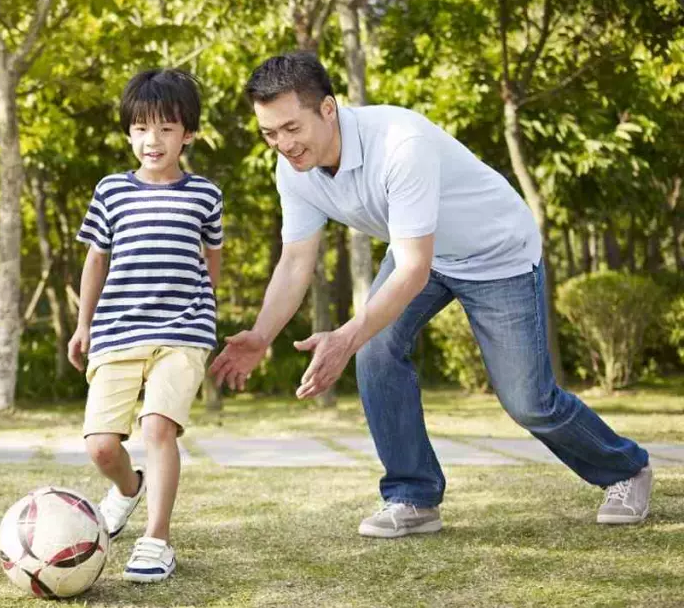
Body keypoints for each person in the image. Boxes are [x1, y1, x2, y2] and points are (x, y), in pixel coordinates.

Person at [210, 52, 652, 538]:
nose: (283, 144)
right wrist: (261, 335)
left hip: (496, 254)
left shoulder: (400, 143)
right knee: (375, 353)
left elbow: (413, 271)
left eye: (292, 128)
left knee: (529, 401)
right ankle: (412, 495)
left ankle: (627, 469)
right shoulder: (293, 169)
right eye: (270, 133)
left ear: (329, 109)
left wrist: (346, 336)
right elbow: (296, 261)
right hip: (421, 250)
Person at [68, 68, 223, 582]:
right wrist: (83, 324)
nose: (150, 141)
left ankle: (157, 540)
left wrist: (206, 306)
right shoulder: (111, 191)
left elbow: (211, 258)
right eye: (139, 128)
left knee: (158, 427)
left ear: (188, 134)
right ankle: (129, 489)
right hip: (116, 332)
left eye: (165, 129)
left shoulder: (205, 194)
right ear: (128, 132)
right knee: (101, 445)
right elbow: (96, 260)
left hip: (183, 332)